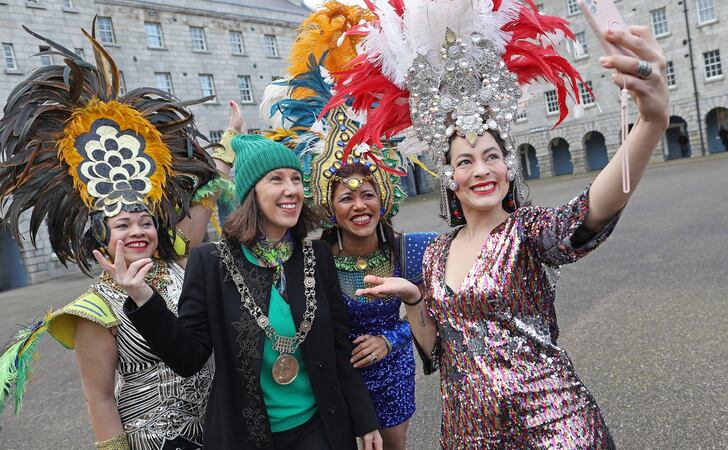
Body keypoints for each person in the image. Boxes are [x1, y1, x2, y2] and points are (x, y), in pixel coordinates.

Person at [326, 1, 670, 447]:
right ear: (450, 176)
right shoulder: (434, 254)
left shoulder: (529, 231)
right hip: (470, 432)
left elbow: (592, 210)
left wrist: (650, 121)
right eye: (465, 161)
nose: (482, 170)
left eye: (492, 156)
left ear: (508, 166)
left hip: (554, 426)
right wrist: (414, 297)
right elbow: (436, 354)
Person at [0, 25, 233, 449]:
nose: (137, 231)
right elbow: (100, 398)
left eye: (144, 221)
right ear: (102, 238)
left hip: (215, 429)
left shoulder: (179, 264)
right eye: (122, 225)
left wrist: (227, 145)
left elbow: (202, 206)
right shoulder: (95, 309)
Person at [113, 133, 383, 450]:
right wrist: (144, 297)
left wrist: (365, 419)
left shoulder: (317, 256)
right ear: (251, 192)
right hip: (246, 435)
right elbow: (188, 357)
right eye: (276, 179)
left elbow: (339, 348)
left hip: (318, 427)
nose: (291, 189)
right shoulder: (210, 264)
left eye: (296, 179)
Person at [259, 5, 435, 447]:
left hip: (392, 373)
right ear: (329, 206)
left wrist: (390, 338)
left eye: (368, 194)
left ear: (384, 199)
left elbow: (436, 312)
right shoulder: (312, 259)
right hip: (336, 380)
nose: (360, 205)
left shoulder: (410, 250)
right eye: (347, 197)